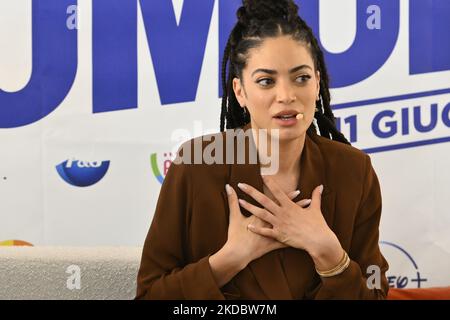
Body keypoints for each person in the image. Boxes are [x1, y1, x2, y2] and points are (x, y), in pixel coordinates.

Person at [136, 0, 389, 300]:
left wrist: (329, 254)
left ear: (318, 83)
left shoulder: (354, 170)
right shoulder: (195, 164)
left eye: (301, 78)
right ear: (240, 91)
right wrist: (230, 258)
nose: (286, 95)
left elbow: (374, 294)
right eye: (266, 81)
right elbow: (150, 295)